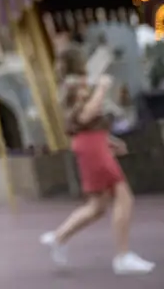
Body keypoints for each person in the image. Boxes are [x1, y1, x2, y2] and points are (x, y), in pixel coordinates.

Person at [40, 48, 155, 276]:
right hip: (92, 147)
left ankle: (59, 237)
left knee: (98, 206)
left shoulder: (73, 85)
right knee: (124, 197)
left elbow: (86, 124)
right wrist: (102, 87)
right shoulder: (74, 86)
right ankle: (122, 257)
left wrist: (109, 141)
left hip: (93, 144)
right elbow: (85, 115)